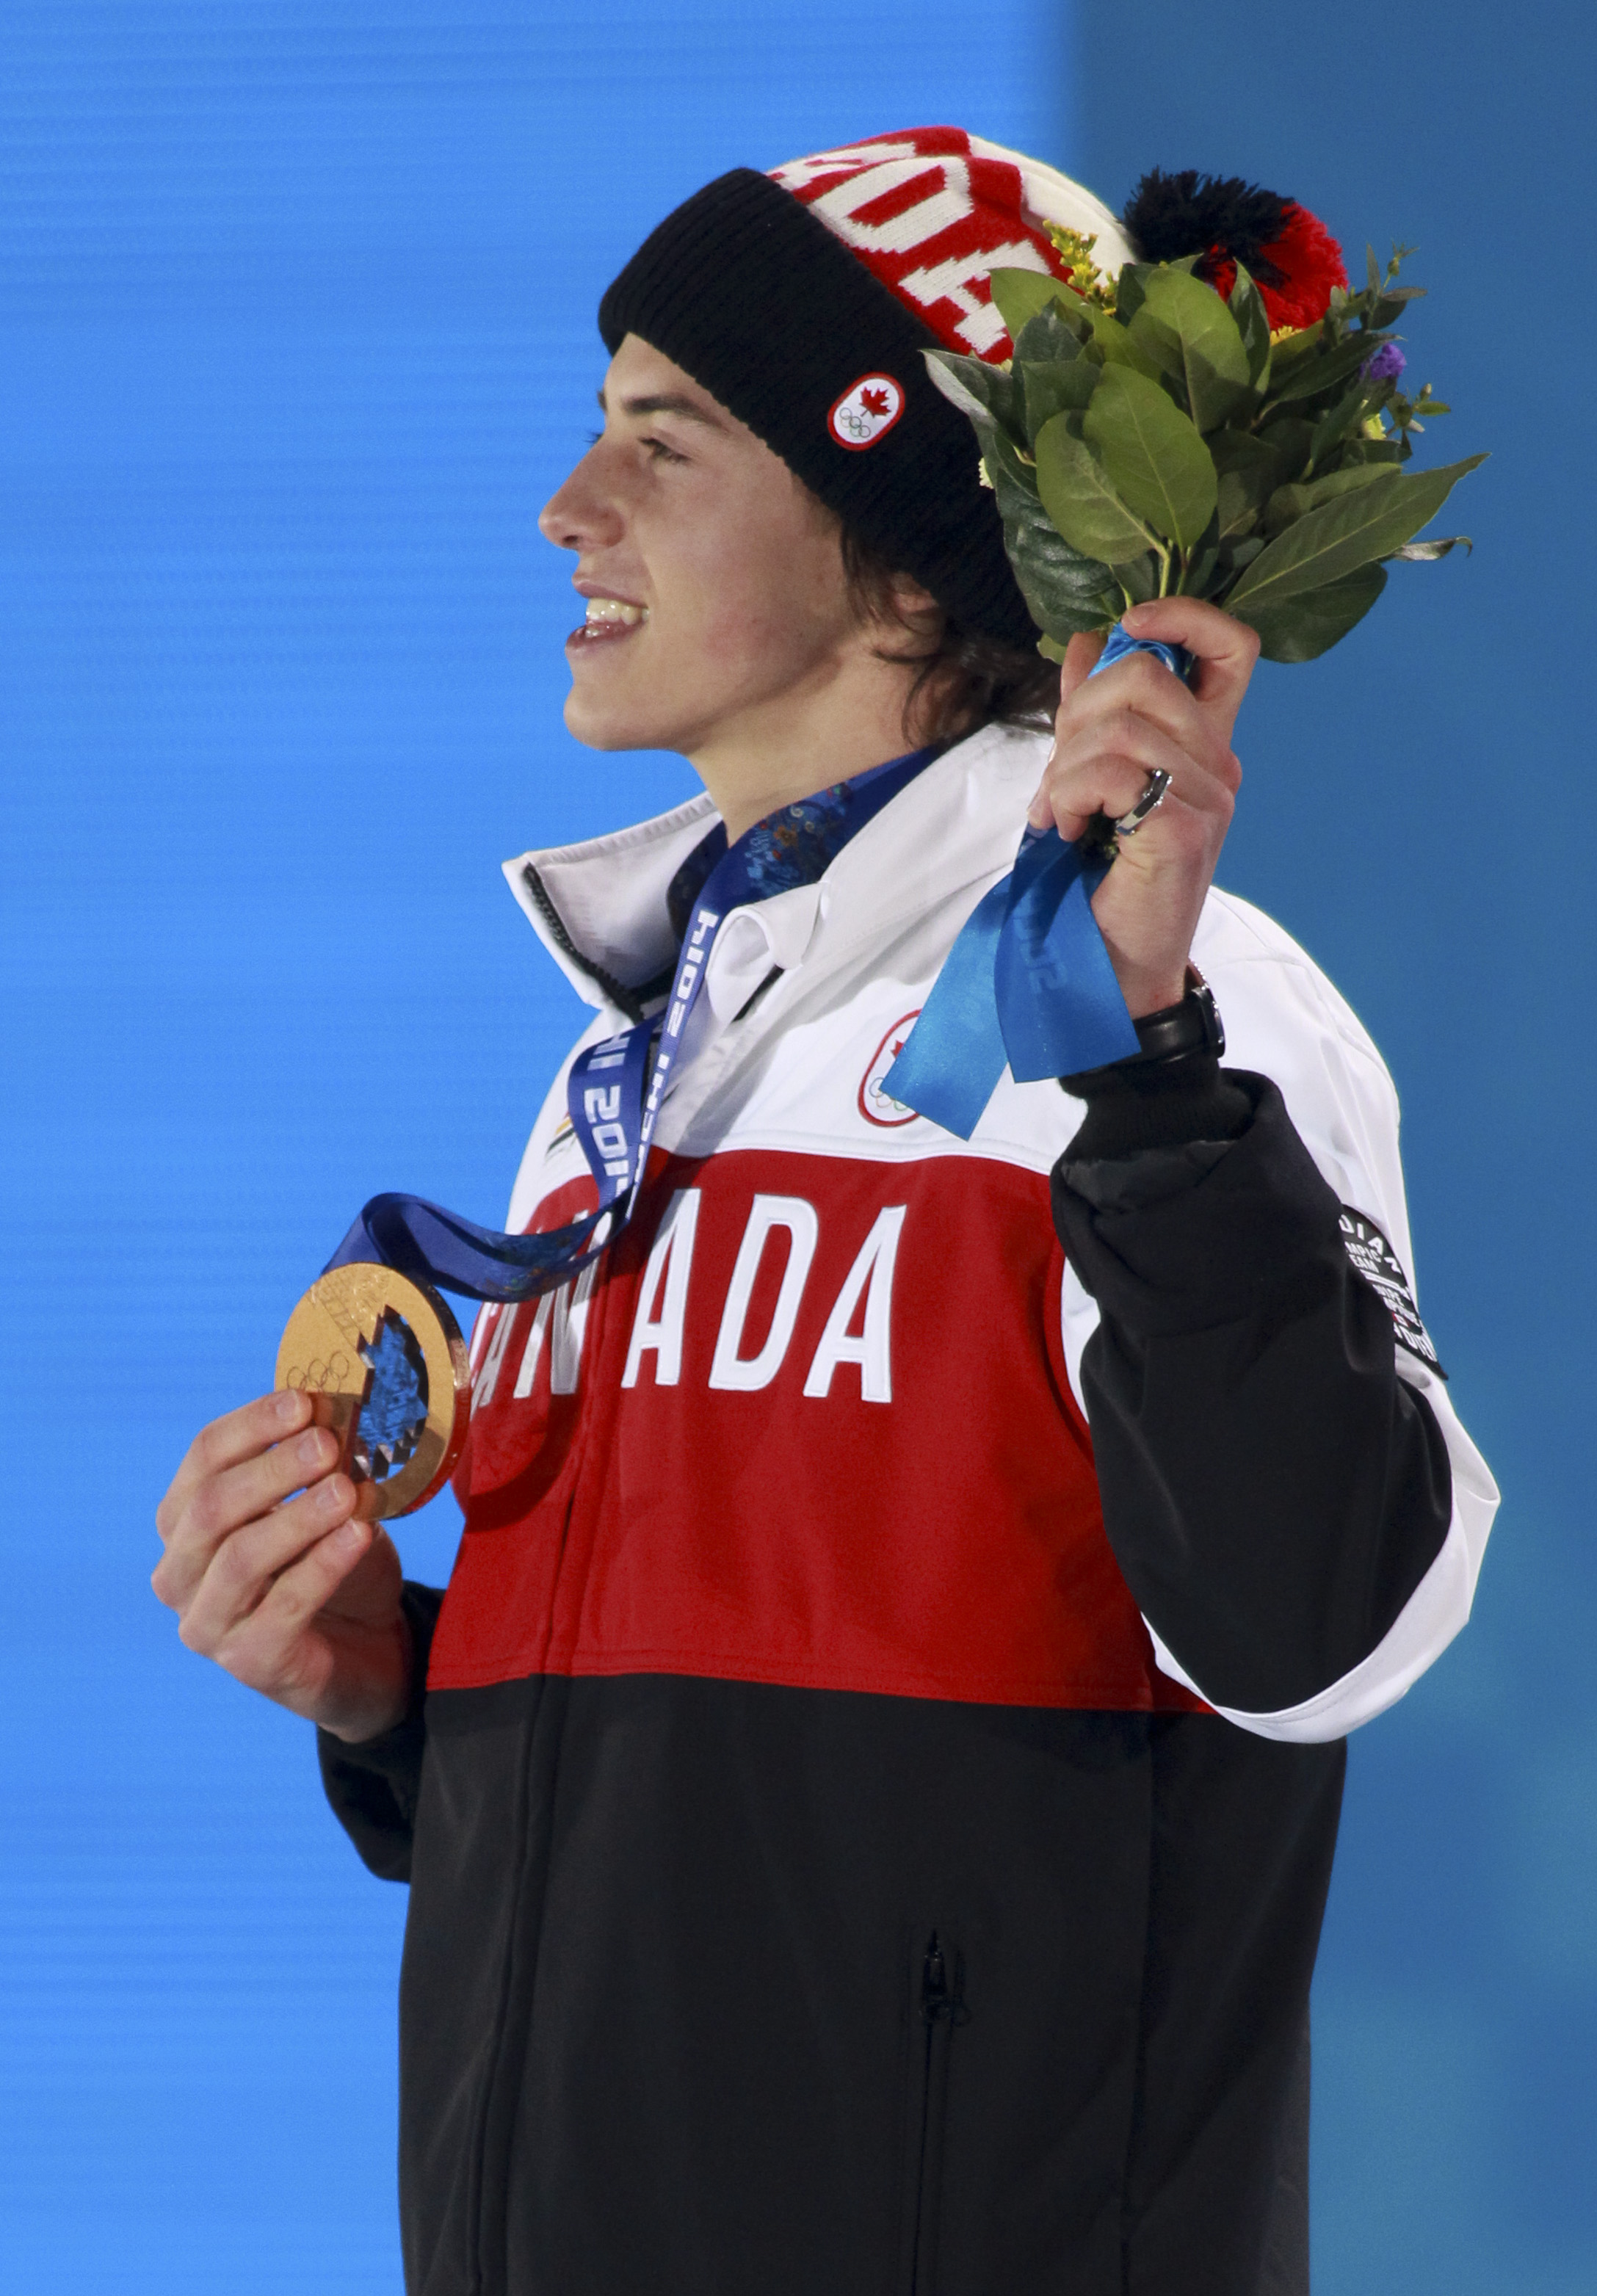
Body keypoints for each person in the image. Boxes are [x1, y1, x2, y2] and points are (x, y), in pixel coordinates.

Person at [153, 129, 1498, 2295]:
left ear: (903, 553)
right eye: (596, 432)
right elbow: (752, 1812)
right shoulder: (636, 1086)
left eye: (664, 448)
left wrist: (1153, 1080)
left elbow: (1330, 1624)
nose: (565, 513)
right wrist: (400, 1699)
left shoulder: (1178, 1021)